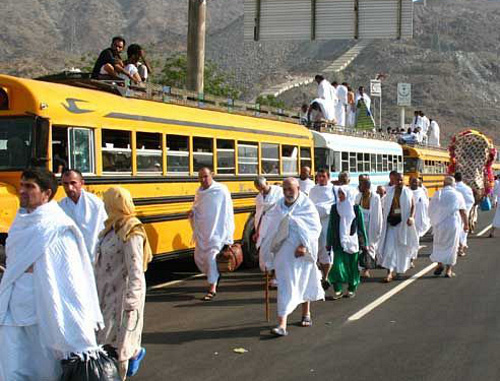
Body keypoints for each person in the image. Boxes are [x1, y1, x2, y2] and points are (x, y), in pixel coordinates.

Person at [0, 168, 103, 380]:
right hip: (13, 309)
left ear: (46, 194)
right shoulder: (20, 223)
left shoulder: (58, 227)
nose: (22, 191)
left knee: (45, 372)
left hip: (44, 314)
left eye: (30, 187)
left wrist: (79, 328)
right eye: (22, 185)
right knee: (11, 369)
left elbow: (71, 281)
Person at [95, 186, 152, 379]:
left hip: (124, 297)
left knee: (121, 348)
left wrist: (133, 300)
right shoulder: (111, 228)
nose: (104, 206)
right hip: (106, 294)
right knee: (105, 342)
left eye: (106, 203)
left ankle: (128, 365)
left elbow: (136, 268)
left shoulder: (131, 230)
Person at [260, 178, 324, 336]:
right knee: (284, 285)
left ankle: (306, 313)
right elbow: (271, 230)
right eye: (285, 189)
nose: (288, 192)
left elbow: (314, 228)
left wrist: (305, 246)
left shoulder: (306, 205)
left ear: (298, 188)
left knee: (303, 281)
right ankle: (282, 324)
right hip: (283, 254)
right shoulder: (278, 206)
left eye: (291, 189)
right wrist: (266, 254)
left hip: (301, 253)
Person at [189, 168, 235, 301]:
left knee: (211, 258)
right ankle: (214, 277)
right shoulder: (199, 192)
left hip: (217, 232)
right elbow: (197, 207)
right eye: (200, 178)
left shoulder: (221, 190)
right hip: (204, 231)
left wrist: (228, 237)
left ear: (212, 175)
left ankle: (212, 288)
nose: (203, 180)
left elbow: (227, 213)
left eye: (205, 177)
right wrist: (193, 213)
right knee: (200, 259)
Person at [327, 186, 368, 299]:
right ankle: (338, 289)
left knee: (352, 267)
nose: (340, 196)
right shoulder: (335, 208)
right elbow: (331, 226)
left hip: (353, 242)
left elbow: (361, 226)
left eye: (342, 194)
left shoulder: (356, 208)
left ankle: (351, 288)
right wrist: (328, 241)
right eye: (339, 194)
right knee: (337, 266)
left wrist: (365, 243)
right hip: (338, 241)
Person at [377, 172, 418, 282]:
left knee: (401, 248)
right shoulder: (389, 192)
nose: (400, 182)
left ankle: (400, 270)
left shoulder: (408, 192)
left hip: (403, 224)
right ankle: (389, 273)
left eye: (401, 180)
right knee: (389, 248)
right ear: (393, 180)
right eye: (397, 180)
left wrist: (411, 217)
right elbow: (383, 204)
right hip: (391, 223)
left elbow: (413, 205)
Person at [59, 169, 107, 263]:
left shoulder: (95, 204)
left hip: (94, 257)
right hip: (71, 258)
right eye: (65, 184)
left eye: (73, 183)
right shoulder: (61, 206)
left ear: (81, 183)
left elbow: (103, 231)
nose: (69, 188)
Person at [429, 177, 468, 278]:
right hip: (452, 223)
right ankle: (448, 270)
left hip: (439, 224)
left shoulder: (438, 193)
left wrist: (434, 220)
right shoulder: (457, 194)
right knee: (452, 246)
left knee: (439, 244)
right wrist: (466, 224)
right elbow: (463, 211)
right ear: (453, 184)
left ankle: (440, 264)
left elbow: (431, 209)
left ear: (444, 184)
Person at [309, 169, 336, 288]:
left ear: (328, 177)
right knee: (314, 249)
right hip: (314, 224)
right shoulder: (313, 190)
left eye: (323, 176)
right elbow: (309, 205)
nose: (320, 179)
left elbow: (334, 206)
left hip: (327, 224)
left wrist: (323, 209)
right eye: (318, 176)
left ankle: (326, 277)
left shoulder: (333, 189)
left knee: (327, 249)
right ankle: (316, 276)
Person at [253, 176, 283, 271]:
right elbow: (259, 215)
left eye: (263, 188)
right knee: (264, 251)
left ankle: (276, 273)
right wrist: (257, 231)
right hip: (264, 227)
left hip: (277, 225)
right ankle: (268, 271)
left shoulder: (279, 192)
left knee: (277, 250)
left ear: (267, 183)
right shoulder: (259, 198)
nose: (262, 191)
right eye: (259, 189)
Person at [355, 177, 383, 278]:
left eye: (361, 185)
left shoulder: (375, 197)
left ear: (366, 187)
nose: (359, 187)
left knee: (369, 247)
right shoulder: (358, 196)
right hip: (360, 224)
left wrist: (377, 228)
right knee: (360, 246)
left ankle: (366, 269)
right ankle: (360, 267)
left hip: (371, 225)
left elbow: (378, 214)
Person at [409, 177, 431, 266]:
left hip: (418, 220)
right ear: (410, 182)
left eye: (416, 182)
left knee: (415, 240)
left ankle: (411, 259)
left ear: (419, 184)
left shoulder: (422, 191)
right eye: (413, 182)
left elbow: (426, 204)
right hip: (407, 220)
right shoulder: (406, 191)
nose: (414, 183)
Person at [454, 172, 475, 255]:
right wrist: (466, 209)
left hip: (453, 212)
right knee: (463, 229)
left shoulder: (452, 188)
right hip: (464, 211)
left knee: (456, 229)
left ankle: (458, 246)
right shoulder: (467, 188)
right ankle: (461, 248)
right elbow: (471, 201)